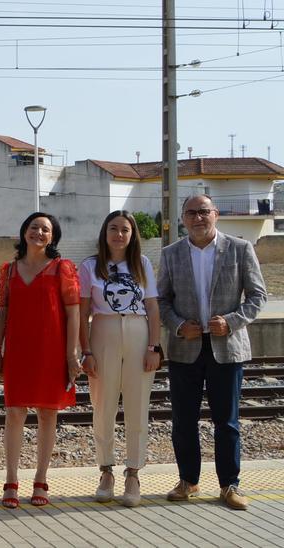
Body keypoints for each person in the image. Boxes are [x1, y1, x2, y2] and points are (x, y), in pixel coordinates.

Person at [158, 194, 266, 510]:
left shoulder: (240, 248)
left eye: (204, 211)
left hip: (226, 347)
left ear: (215, 214)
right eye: (191, 212)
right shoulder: (170, 254)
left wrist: (231, 322)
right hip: (185, 347)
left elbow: (257, 297)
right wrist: (178, 325)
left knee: (227, 421)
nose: (198, 218)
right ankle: (188, 481)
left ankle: (229, 485)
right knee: (183, 420)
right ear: (182, 218)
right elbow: (161, 301)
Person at [0, 212, 80, 509]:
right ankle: (11, 480)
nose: (38, 233)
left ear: (53, 237)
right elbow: (3, 311)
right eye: (33, 227)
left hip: (51, 351)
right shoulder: (9, 270)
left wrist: (71, 355)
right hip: (17, 351)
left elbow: (73, 312)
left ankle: (41, 479)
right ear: (24, 232)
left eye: (45, 229)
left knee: (46, 414)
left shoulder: (62, 268)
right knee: (14, 412)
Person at [77, 211, 162, 508]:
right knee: (103, 405)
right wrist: (85, 351)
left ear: (132, 234)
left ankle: (133, 473)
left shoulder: (143, 264)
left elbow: (152, 307)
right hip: (104, 329)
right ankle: (105, 471)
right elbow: (82, 312)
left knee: (138, 406)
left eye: (125, 229)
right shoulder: (90, 266)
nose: (119, 234)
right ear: (105, 232)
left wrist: (154, 346)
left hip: (138, 332)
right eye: (113, 228)